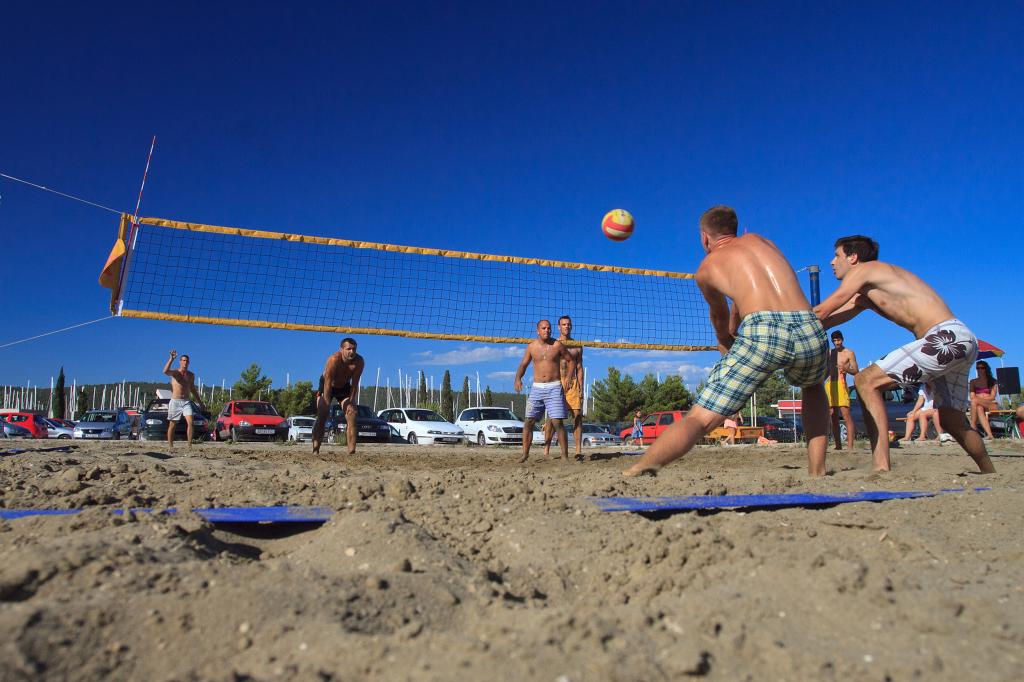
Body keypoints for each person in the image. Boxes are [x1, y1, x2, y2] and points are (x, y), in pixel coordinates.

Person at [623, 206, 830, 477]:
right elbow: (748, 295)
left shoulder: (707, 268)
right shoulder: (762, 241)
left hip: (762, 329)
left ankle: (639, 469)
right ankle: (817, 471)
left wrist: (727, 344)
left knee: (700, 418)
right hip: (809, 325)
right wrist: (737, 326)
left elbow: (720, 319)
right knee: (813, 388)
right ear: (735, 228)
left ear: (704, 237)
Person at [814, 235, 995, 474]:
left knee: (865, 380)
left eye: (837, 255)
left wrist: (786, 324)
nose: (832, 262)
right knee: (951, 420)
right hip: (960, 339)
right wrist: (811, 326)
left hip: (944, 337)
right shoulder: (866, 291)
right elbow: (826, 320)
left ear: (853, 257)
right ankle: (989, 472)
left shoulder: (865, 270)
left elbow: (823, 310)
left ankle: (881, 467)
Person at [513, 320, 576, 463]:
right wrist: (517, 379)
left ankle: (565, 456)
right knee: (528, 421)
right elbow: (523, 365)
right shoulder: (532, 347)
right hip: (537, 388)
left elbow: (571, 361)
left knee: (557, 422)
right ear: (538, 331)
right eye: (543, 328)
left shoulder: (557, 345)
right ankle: (525, 454)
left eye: (548, 328)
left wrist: (568, 377)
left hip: (554, 387)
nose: (547, 330)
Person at [312, 337, 365, 456]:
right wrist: (326, 403)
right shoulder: (334, 360)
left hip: (343, 387)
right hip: (327, 385)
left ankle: (351, 452)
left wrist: (351, 402)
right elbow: (327, 382)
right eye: (348, 349)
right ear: (341, 349)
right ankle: (315, 450)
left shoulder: (359, 361)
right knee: (322, 414)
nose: (352, 351)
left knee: (352, 413)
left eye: (354, 349)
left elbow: (355, 384)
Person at [543, 316, 585, 459]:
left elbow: (579, 368)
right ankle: (546, 450)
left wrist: (581, 388)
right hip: (556, 382)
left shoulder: (577, 346)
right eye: (564, 324)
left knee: (577, 415)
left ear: (571, 326)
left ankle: (578, 451)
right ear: (559, 327)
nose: (566, 326)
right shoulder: (553, 344)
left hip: (572, 383)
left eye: (568, 324)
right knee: (552, 419)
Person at [162, 350, 206, 450]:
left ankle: (189, 445)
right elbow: (165, 371)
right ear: (180, 362)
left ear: (188, 362)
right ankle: (170, 446)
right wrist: (171, 359)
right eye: (183, 360)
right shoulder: (175, 373)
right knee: (172, 424)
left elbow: (193, 389)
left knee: (190, 422)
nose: (185, 362)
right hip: (175, 401)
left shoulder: (191, 375)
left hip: (186, 401)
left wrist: (200, 403)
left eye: (187, 361)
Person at [825, 330, 859, 450]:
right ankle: (838, 445)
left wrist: (846, 368)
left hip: (841, 384)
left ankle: (850, 446)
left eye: (838, 340)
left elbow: (856, 370)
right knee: (832, 416)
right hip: (830, 385)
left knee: (846, 415)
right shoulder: (830, 353)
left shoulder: (849, 353)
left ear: (842, 339)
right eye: (834, 341)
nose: (836, 343)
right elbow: (826, 371)